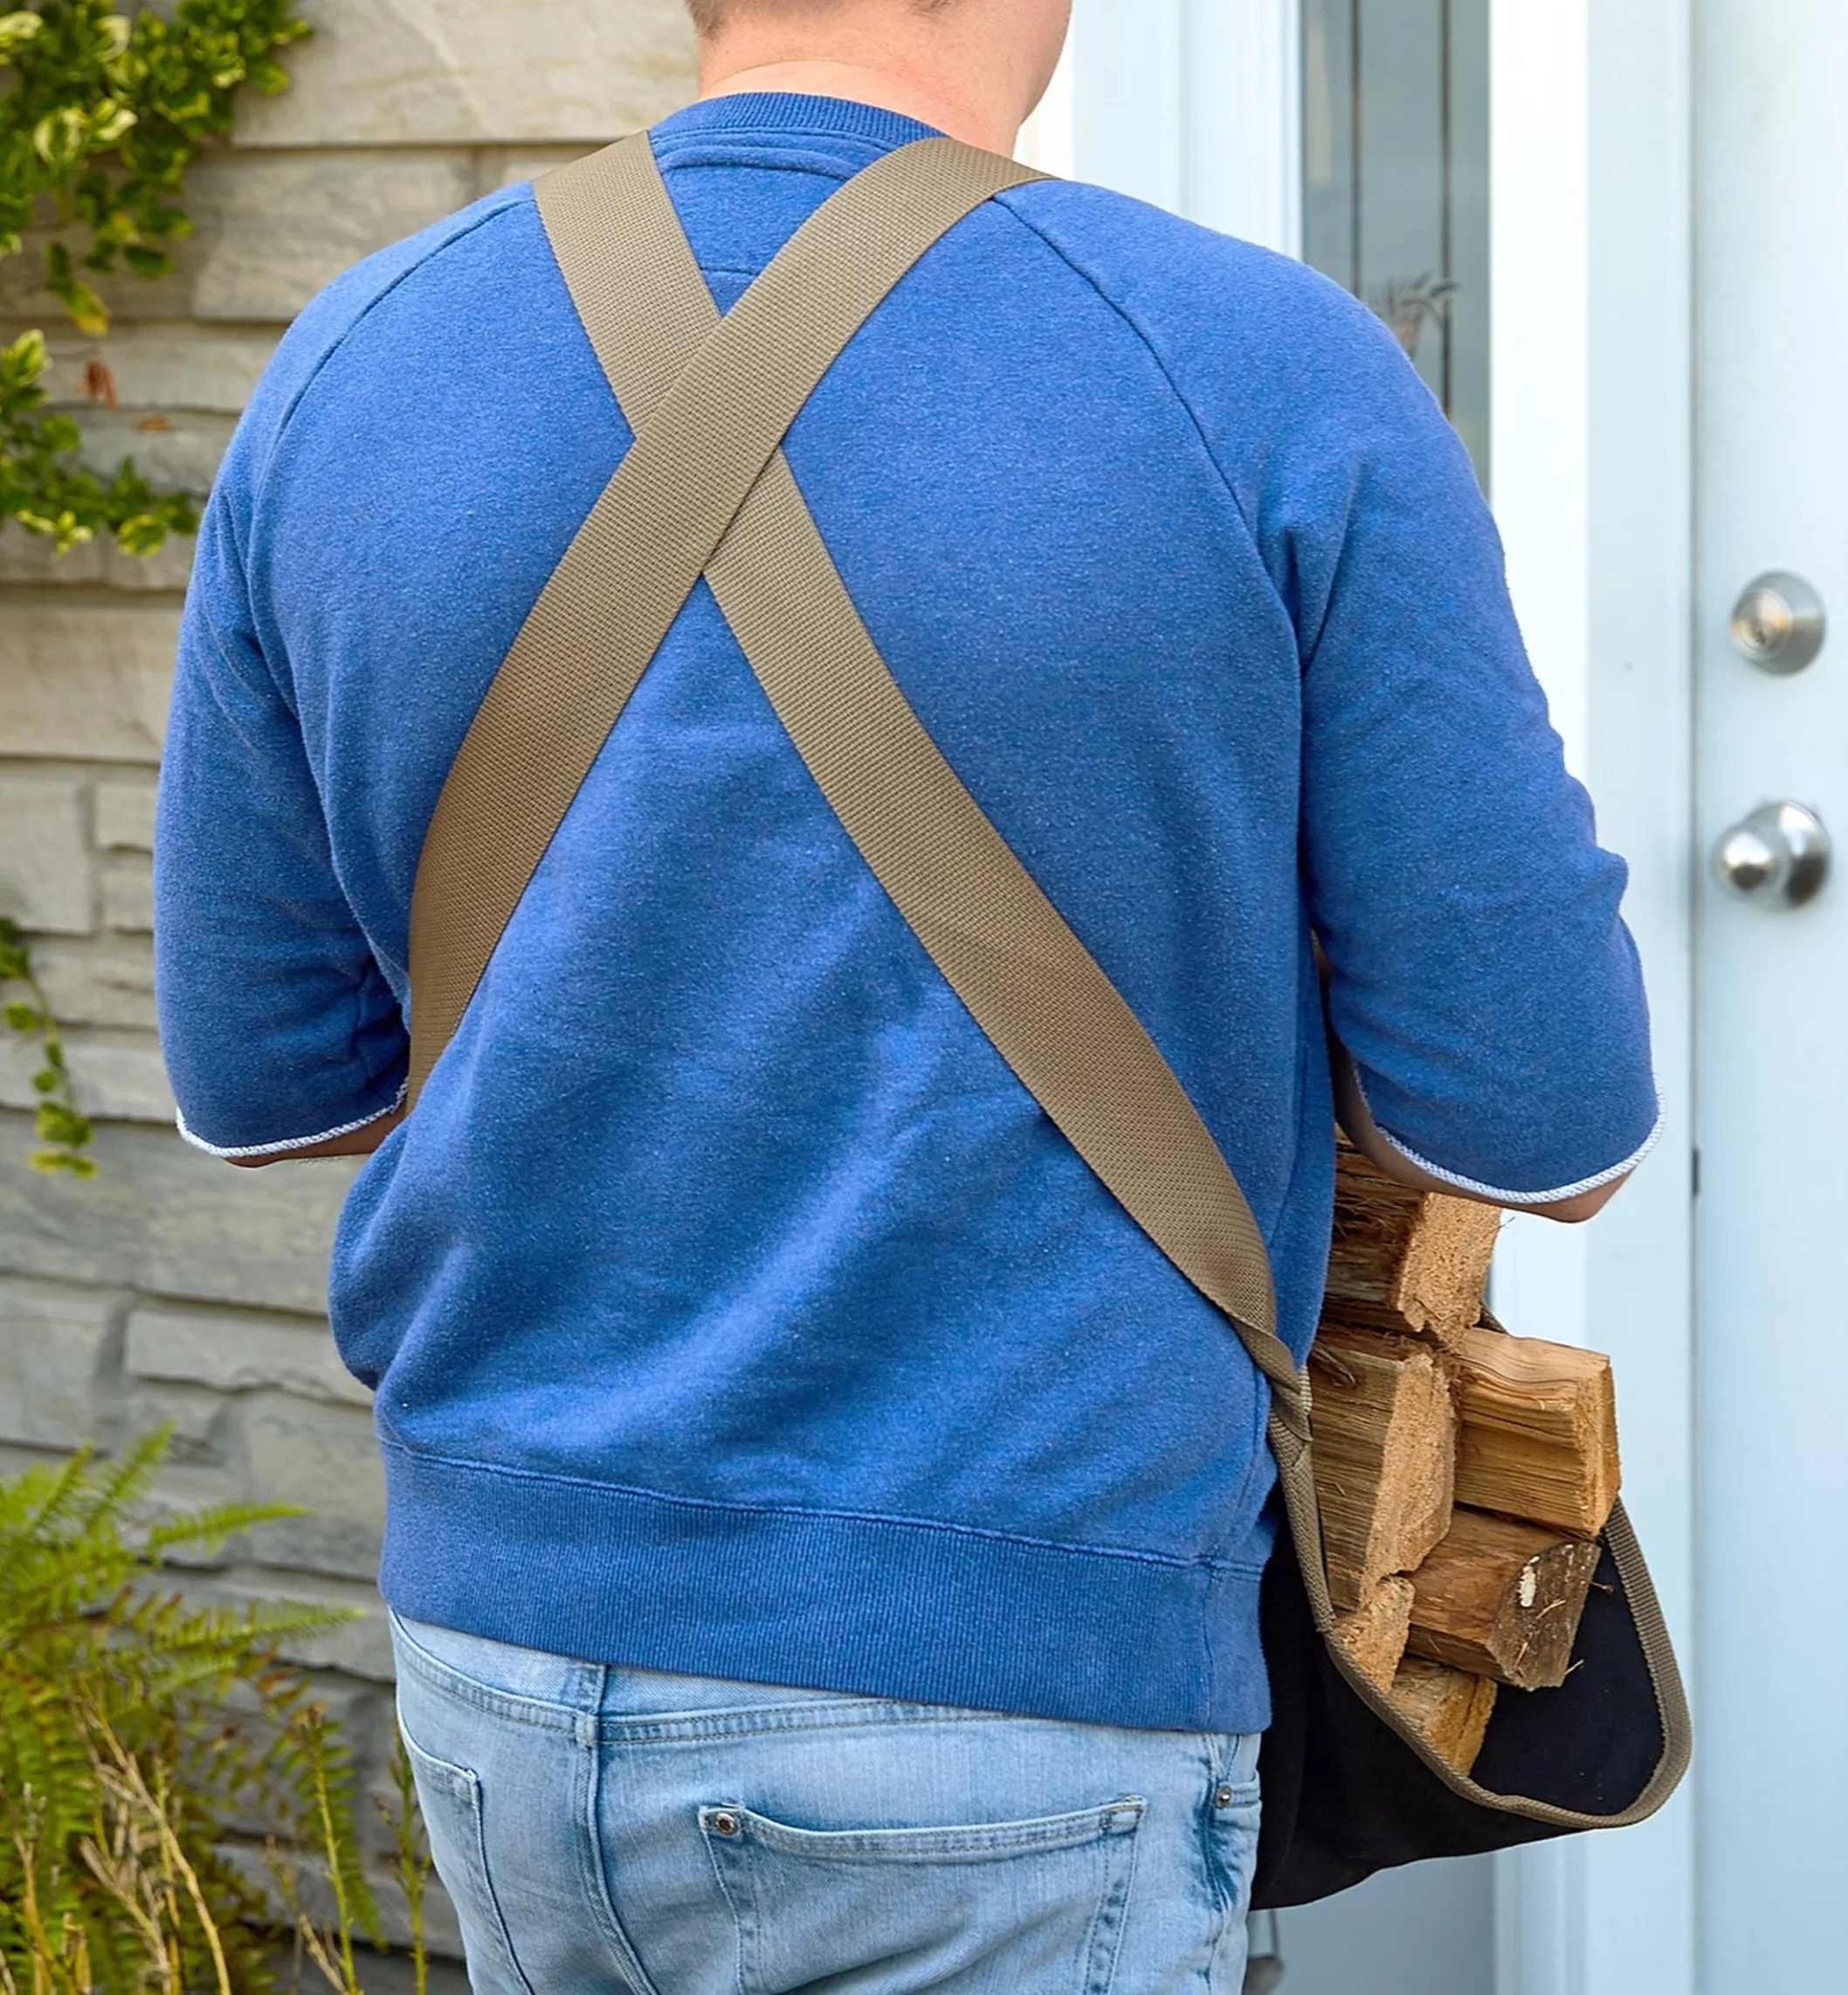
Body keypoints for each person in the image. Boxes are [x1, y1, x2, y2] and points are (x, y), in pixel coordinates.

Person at [153, 0, 1658, 1986]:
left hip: (505, 1658)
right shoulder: (1253, 365)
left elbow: (281, 1084)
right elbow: (1540, 1120)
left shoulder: (355, 356)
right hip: (1009, 1671)